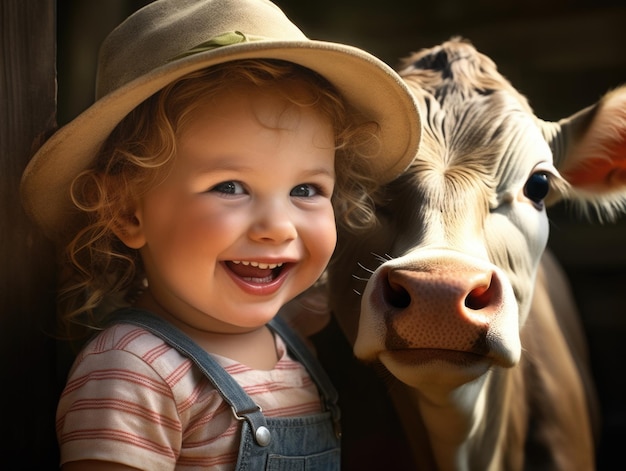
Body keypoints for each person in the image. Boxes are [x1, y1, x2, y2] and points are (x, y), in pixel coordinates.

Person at [20, 0, 421, 469]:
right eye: (230, 187)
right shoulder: (133, 372)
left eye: (306, 189)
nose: (278, 227)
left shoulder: (293, 345)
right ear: (126, 211)